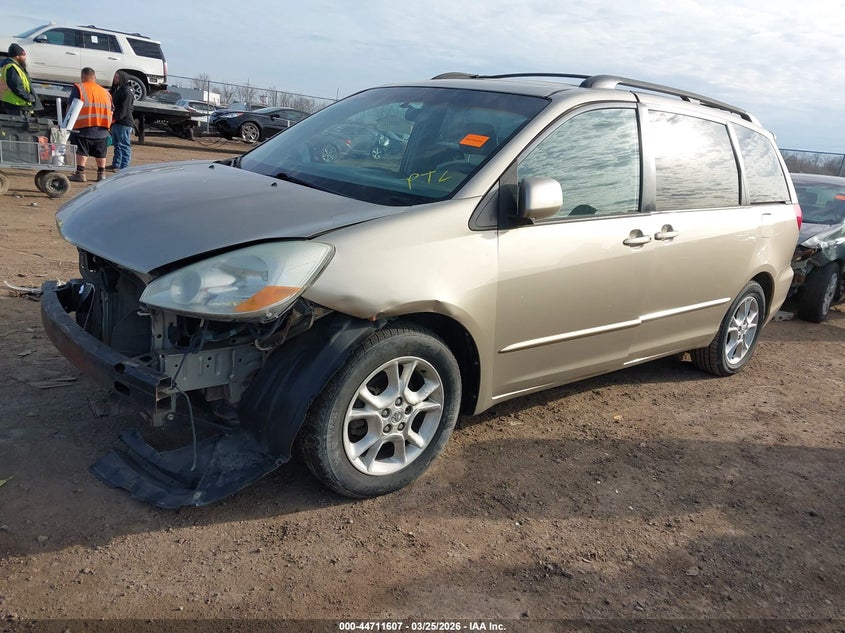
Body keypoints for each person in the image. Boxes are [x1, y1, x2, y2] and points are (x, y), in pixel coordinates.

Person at [67, 67, 113, 183]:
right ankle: (101, 174)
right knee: (101, 152)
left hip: (84, 126)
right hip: (102, 128)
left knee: (82, 151)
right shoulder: (106, 92)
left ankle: (80, 173)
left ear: (82, 77)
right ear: (95, 77)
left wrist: (67, 122)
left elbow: (71, 107)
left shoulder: (79, 88)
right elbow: (112, 110)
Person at [0, 43, 37, 116]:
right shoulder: (12, 67)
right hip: (17, 104)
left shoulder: (9, 65)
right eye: (23, 55)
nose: (25, 58)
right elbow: (16, 86)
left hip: (13, 103)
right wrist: (29, 97)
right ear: (17, 56)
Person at [108, 71, 135, 171]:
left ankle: (124, 167)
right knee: (116, 144)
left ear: (122, 78)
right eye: (115, 77)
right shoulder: (118, 89)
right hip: (117, 121)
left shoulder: (127, 91)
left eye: (117, 78)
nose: (115, 79)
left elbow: (125, 109)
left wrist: (114, 119)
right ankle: (116, 163)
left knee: (124, 145)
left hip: (123, 122)